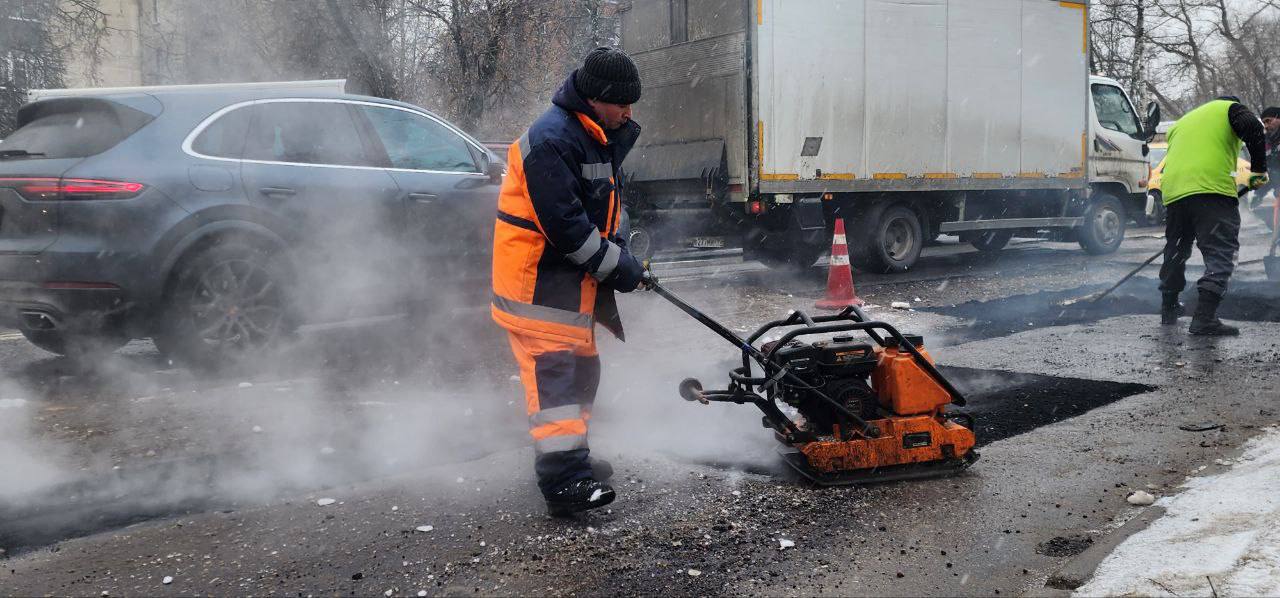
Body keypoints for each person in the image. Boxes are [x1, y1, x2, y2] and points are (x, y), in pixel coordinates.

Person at [491, 47, 647, 515]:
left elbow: (600, 211)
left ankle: (572, 458)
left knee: (583, 373)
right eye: (623, 103)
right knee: (555, 383)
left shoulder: (594, 133)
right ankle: (563, 481)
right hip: (537, 288)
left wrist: (621, 256)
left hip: (569, 287)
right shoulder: (551, 140)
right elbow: (565, 227)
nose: (629, 112)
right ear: (598, 97)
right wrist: (617, 267)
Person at [1158, 96, 1269, 336]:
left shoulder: (1181, 123)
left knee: (1176, 249)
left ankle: (1168, 309)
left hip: (1175, 191)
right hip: (1211, 189)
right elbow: (1254, 128)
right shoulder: (1229, 108)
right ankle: (1204, 318)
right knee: (1221, 252)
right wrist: (1259, 170)